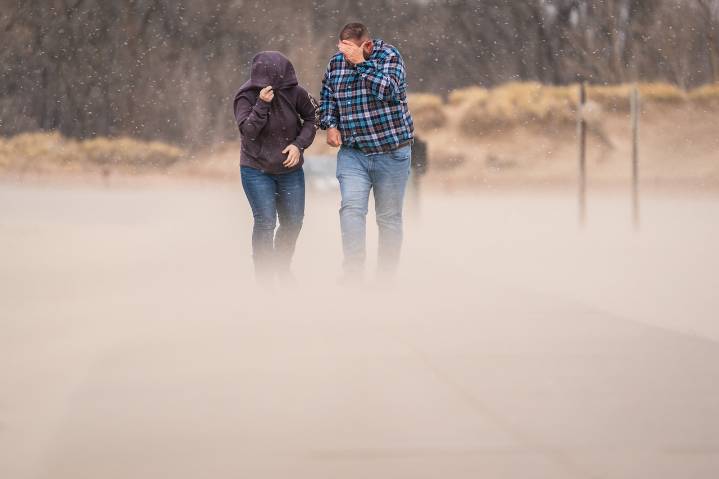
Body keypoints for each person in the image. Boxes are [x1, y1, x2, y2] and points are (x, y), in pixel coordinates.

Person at [319, 22, 414, 283]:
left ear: (366, 45)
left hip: (391, 152)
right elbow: (327, 96)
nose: (344, 55)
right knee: (351, 208)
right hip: (353, 153)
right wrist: (330, 124)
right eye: (342, 49)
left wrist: (361, 63)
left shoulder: (389, 57)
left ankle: (385, 277)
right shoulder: (336, 64)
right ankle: (353, 272)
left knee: (388, 218)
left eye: (349, 50)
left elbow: (390, 92)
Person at [233, 51, 318, 285]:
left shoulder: (296, 92)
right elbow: (248, 132)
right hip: (256, 169)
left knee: (293, 222)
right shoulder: (245, 96)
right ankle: (264, 277)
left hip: (290, 170)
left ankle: (282, 267)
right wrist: (262, 104)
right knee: (266, 222)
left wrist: (299, 145)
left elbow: (313, 117)